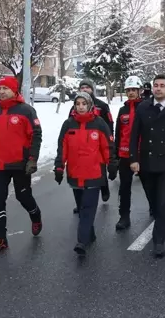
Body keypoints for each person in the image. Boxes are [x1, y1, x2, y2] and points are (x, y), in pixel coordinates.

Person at [129, 74, 165, 258]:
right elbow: (134, 135)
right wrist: (133, 158)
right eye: (156, 85)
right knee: (153, 200)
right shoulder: (143, 108)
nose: (158, 88)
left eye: (162, 85)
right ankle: (157, 218)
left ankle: (158, 241)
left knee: (163, 202)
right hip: (146, 162)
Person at [54, 92, 117, 256]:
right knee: (82, 208)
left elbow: (108, 147)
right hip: (75, 173)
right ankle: (90, 233)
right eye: (78, 104)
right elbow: (62, 148)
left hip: (94, 174)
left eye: (84, 103)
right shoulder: (68, 125)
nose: (81, 106)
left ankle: (81, 241)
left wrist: (112, 165)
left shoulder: (99, 124)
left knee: (88, 208)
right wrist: (59, 167)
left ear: (90, 105)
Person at [0, 76, 43, 254]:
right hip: (0, 164)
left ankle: (35, 215)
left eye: (5, 88)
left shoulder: (26, 111)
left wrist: (32, 159)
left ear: (14, 90)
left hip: (20, 164)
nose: (1, 91)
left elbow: (36, 135)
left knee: (23, 196)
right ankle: (0, 238)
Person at [68, 79, 114, 210]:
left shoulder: (102, 106)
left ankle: (104, 189)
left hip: (99, 143)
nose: (84, 89)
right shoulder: (75, 107)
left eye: (87, 87)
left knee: (100, 170)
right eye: (82, 87)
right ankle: (81, 202)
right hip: (82, 144)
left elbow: (109, 124)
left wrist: (110, 140)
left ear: (92, 89)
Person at [113, 76, 144, 231]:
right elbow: (118, 133)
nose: (131, 93)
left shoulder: (145, 107)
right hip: (124, 155)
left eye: (134, 90)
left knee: (149, 186)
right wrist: (115, 154)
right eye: (128, 90)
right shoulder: (122, 110)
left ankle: (154, 208)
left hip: (142, 155)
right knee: (124, 187)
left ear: (139, 91)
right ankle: (124, 216)